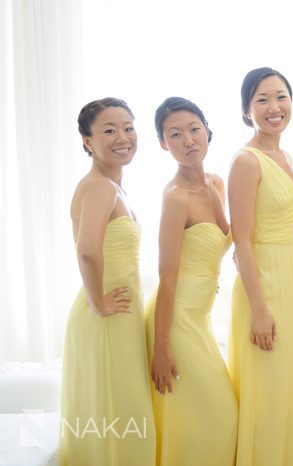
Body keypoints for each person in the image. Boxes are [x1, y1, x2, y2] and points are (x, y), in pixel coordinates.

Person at [60, 98, 155, 465]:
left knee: (118, 410)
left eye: (128, 127)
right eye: (109, 130)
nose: (123, 137)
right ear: (88, 141)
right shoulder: (99, 186)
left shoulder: (112, 186)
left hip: (118, 311)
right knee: (117, 411)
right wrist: (98, 301)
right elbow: (87, 250)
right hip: (106, 314)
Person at [145, 97, 238, 465]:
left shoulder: (217, 182)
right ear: (164, 144)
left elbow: (234, 236)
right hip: (176, 320)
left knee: (212, 417)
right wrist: (160, 349)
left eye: (194, 129)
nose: (188, 140)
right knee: (221, 413)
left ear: (207, 130)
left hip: (199, 317)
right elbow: (166, 280)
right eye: (175, 134)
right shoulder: (175, 198)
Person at [227, 67, 293, 466]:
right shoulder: (246, 161)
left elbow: (280, 221)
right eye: (262, 99)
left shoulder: (286, 156)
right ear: (247, 110)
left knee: (290, 383)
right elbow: (243, 238)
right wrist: (259, 309)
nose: (274, 107)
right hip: (263, 284)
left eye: (281, 96)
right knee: (269, 386)